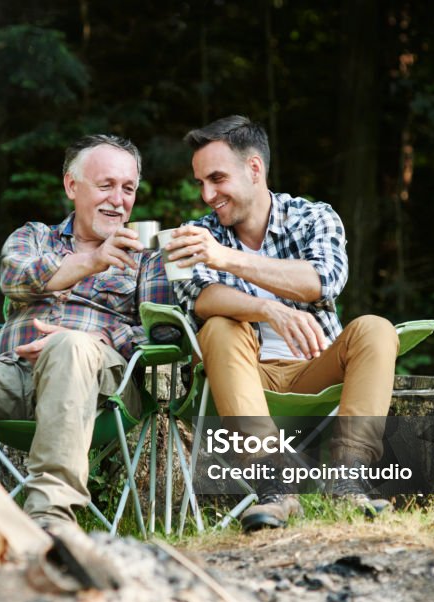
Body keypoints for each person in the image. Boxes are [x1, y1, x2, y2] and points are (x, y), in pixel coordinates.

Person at [0, 133, 170, 528]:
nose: (118, 199)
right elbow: (16, 280)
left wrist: (99, 341)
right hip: (14, 376)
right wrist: (92, 260)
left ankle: (51, 516)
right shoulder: (33, 236)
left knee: (71, 348)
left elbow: (161, 333)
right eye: (106, 185)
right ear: (71, 186)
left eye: (128, 188)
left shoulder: (148, 258)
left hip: (101, 388)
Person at [165, 115, 399, 532]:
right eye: (201, 182)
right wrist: (269, 309)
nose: (207, 194)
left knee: (377, 329)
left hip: (316, 368)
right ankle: (273, 483)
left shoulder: (313, 217)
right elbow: (199, 299)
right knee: (219, 325)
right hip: (242, 376)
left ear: (254, 169)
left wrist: (227, 258)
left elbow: (321, 280)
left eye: (216, 179)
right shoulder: (196, 234)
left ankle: (348, 477)